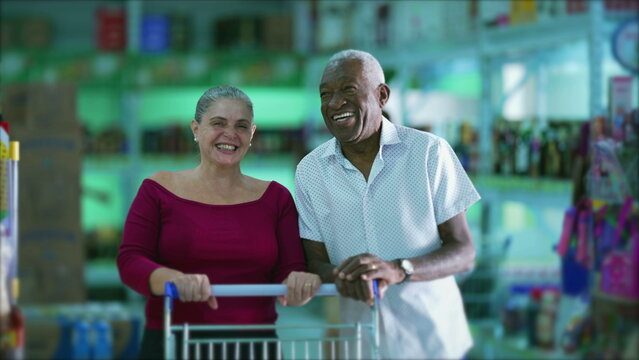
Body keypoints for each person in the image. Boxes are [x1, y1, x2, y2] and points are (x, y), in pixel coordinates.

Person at [295, 49, 481, 359]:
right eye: (325, 94)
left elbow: (463, 251)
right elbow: (314, 263)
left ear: (382, 95)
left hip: (431, 342)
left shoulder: (429, 153)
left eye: (347, 89)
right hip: (358, 344)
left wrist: (398, 270)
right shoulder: (311, 170)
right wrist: (347, 275)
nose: (334, 103)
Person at [118, 85, 320, 359]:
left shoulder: (276, 198)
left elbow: (290, 269)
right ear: (196, 129)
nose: (230, 134)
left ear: (252, 135)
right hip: (173, 342)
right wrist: (172, 279)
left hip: (254, 347)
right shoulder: (157, 189)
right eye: (218, 123)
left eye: (241, 126)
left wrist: (299, 284)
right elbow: (130, 260)